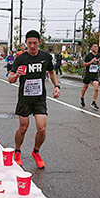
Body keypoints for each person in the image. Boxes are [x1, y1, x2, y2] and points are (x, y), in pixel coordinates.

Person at [8, 30, 60, 168]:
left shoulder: (46, 57)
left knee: (42, 128)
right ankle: (17, 151)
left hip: (39, 98)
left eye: (34, 43)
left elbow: (52, 72)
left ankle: (36, 152)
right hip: (24, 99)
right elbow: (10, 79)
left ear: (39, 43)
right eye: (29, 43)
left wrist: (56, 86)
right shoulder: (20, 58)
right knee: (23, 127)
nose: (32, 46)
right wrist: (16, 75)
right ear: (26, 43)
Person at [80, 43, 100, 110]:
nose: (96, 48)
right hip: (88, 74)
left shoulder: (98, 56)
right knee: (85, 88)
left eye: (97, 47)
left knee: (96, 88)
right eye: (94, 47)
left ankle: (93, 102)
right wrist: (91, 61)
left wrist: (99, 63)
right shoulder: (88, 56)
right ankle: (82, 97)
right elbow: (84, 64)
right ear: (91, 48)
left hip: (95, 74)